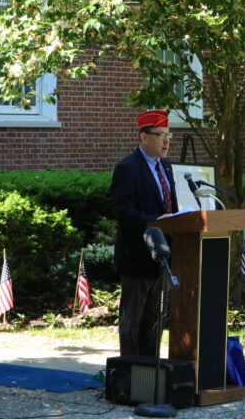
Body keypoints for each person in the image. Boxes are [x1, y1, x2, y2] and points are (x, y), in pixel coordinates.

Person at [110, 109, 178, 357]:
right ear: (143, 137)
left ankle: (151, 374)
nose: (167, 141)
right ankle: (130, 376)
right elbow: (123, 211)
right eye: (160, 135)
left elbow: (174, 206)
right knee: (133, 322)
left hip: (163, 258)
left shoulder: (168, 167)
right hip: (138, 257)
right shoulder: (128, 168)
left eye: (168, 135)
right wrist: (155, 222)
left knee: (155, 321)